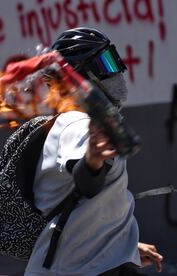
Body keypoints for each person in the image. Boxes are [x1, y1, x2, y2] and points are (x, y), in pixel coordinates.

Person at [24, 27, 162, 276]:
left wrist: (125, 247)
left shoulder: (89, 123)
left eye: (114, 59)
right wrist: (93, 159)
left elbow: (92, 206)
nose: (117, 71)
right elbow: (86, 182)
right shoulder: (76, 124)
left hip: (98, 266)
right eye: (106, 64)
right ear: (81, 78)